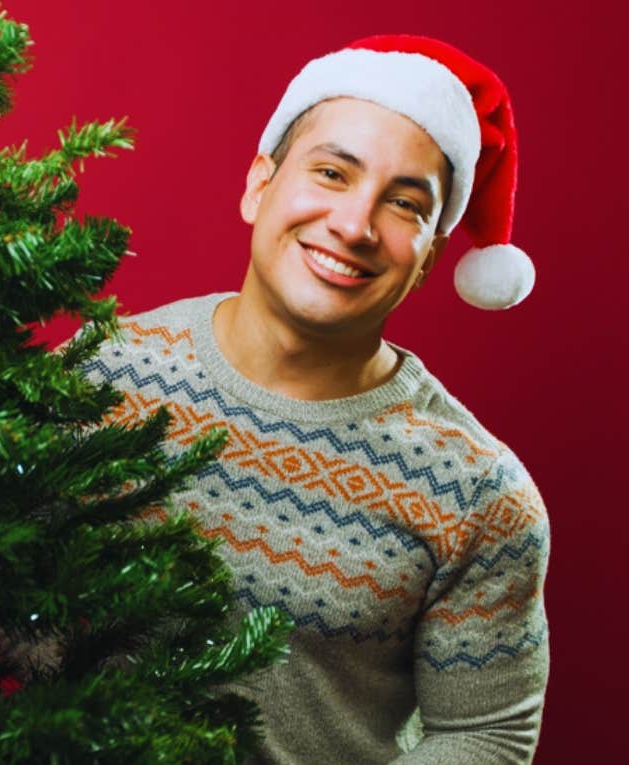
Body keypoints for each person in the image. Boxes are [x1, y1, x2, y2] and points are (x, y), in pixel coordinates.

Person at [83, 36, 549, 763]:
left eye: (403, 204)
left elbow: (487, 732)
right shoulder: (96, 375)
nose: (354, 225)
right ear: (259, 185)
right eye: (332, 172)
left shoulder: (478, 492)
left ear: (428, 256)